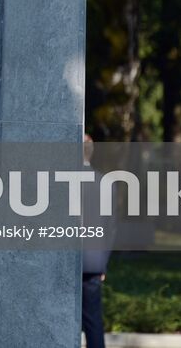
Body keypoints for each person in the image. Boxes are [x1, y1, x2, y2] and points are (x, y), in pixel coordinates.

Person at [81, 133, 111, 348]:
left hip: (65, 260)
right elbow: (110, 229)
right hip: (93, 261)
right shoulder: (105, 183)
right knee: (93, 322)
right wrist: (103, 263)